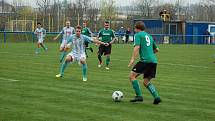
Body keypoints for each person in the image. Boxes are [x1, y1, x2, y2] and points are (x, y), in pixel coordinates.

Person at [128, 21, 161, 104]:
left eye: (135, 28)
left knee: (132, 76)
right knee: (146, 82)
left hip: (145, 61)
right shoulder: (149, 36)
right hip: (153, 61)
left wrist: (132, 59)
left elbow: (137, 47)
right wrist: (150, 54)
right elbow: (157, 50)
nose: (134, 29)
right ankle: (156, 97)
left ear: (137, 28)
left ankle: (139, 96)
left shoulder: (138, 35)